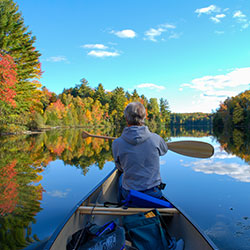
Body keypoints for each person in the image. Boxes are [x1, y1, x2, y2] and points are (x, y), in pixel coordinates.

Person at [112, 102, 168, 201]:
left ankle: (121, 204)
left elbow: (120, 167)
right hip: (153, 194)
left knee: (120, 176)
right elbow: (164, 151)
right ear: (144, 117)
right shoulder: (156, 139)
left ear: (126, 119)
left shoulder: (117, 143)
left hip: (129, 193)